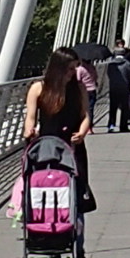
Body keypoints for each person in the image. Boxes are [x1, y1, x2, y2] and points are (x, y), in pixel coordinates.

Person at [24, 49, 94, 211]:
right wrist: (29, 130)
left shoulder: (79, 89)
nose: (73, 72)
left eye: (75, 68)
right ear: (58, 68)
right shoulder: (38, 88)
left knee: (76, 187)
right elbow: (31, 116)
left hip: (72, 145)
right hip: (46, 145)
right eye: (70, 68)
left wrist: (82, 132)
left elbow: (85, 115)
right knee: (44, 183)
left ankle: (75, 219)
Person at [106, 40, 130, 132]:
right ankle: (123, 126)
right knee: (124, 107)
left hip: (113, 88)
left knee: (113, 107)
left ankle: (111, 125)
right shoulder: (127, 64)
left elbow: (109, 74)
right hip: (124, 88)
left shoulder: (111, 64)